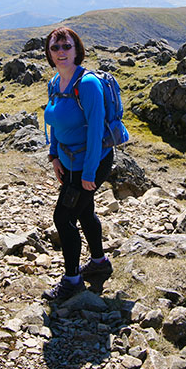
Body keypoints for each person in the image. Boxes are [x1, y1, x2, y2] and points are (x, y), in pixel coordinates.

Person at [41, 27, 114, 302]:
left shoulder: (88, 85)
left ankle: (72, 280)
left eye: (66, 46)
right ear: (49, 53)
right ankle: (98, 262)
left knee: (63, 217)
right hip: (68, 161)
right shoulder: (55, 82)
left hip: (92, 162)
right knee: (84, 212)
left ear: (77, 49)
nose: (60, 52)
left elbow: (96, 131)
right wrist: (54, 155)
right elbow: (55, 123)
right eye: (54, 48)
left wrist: (89, 173)